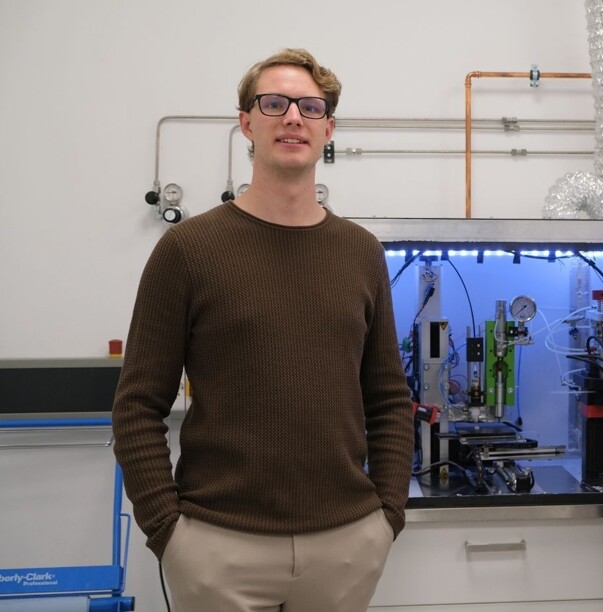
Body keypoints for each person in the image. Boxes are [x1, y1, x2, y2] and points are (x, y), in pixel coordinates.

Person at [112, 48, 414, 612]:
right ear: (247, 123)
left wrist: (387, 515)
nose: (293, 117)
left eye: (310, 107)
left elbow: (389, 398)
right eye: (274, 103)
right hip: (217, 545)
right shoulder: (187, 250)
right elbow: (137, 405)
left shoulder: (361, 253)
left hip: (346, 545)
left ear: (328, 128)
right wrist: (168, 532)